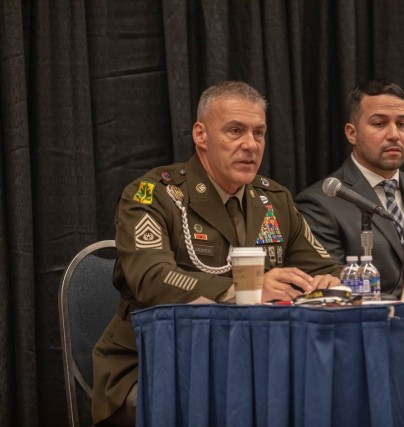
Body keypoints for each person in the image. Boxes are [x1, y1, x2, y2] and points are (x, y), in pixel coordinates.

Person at [92, 81, 342, 426]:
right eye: (235, 131)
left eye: (259, 132)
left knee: (323, 395)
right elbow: (152, 279)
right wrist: (246, 290)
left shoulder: (274, 200)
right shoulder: (152, 195)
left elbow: (327, 267)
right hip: (155, 362)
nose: (250, 145)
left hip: (254, 361)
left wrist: (330, 282)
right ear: (201, 134)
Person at [295, 79, 404, 298]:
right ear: (351, 133)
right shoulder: (320, 203)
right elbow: (334, 288)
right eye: (379, 123)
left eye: (402, 124)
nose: (394, 134)